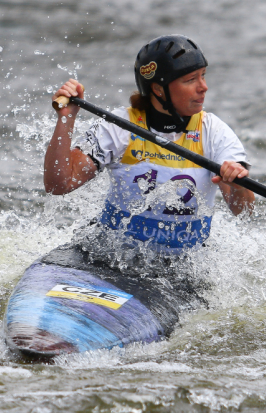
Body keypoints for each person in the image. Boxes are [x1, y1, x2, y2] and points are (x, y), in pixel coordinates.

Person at [44, 34, 255, 254]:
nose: (204, 87)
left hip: (184, 265)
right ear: (158, 89)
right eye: (191, 80)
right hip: (110, 255)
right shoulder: (119, 127)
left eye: (203, 76)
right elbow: (58, 185)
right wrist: (66, 119)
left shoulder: (214, 132)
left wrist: (239, 187)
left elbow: (244, 211)